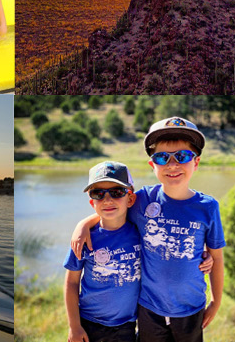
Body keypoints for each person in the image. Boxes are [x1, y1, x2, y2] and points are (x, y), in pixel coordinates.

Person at [71, 117, 226, 342]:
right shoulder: (143, 199)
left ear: (196, 162)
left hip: (191, 309)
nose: (172, 165)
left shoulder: (208, 207)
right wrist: (83, 224)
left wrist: (216, 302)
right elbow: (112, 210)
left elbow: (217, 258)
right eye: (162, 157)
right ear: (153, 165)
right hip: (148, 309)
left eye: (182, 156)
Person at [66, 162, 143, 342]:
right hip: (89, 323)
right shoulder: (83, 239)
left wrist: (204, 255)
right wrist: (74, 327)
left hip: (127, 325)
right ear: (92, 202)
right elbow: (71, 283)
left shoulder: (142, 233)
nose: (107, 200)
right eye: (98, 194)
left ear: (130, 199)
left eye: (116, 192)